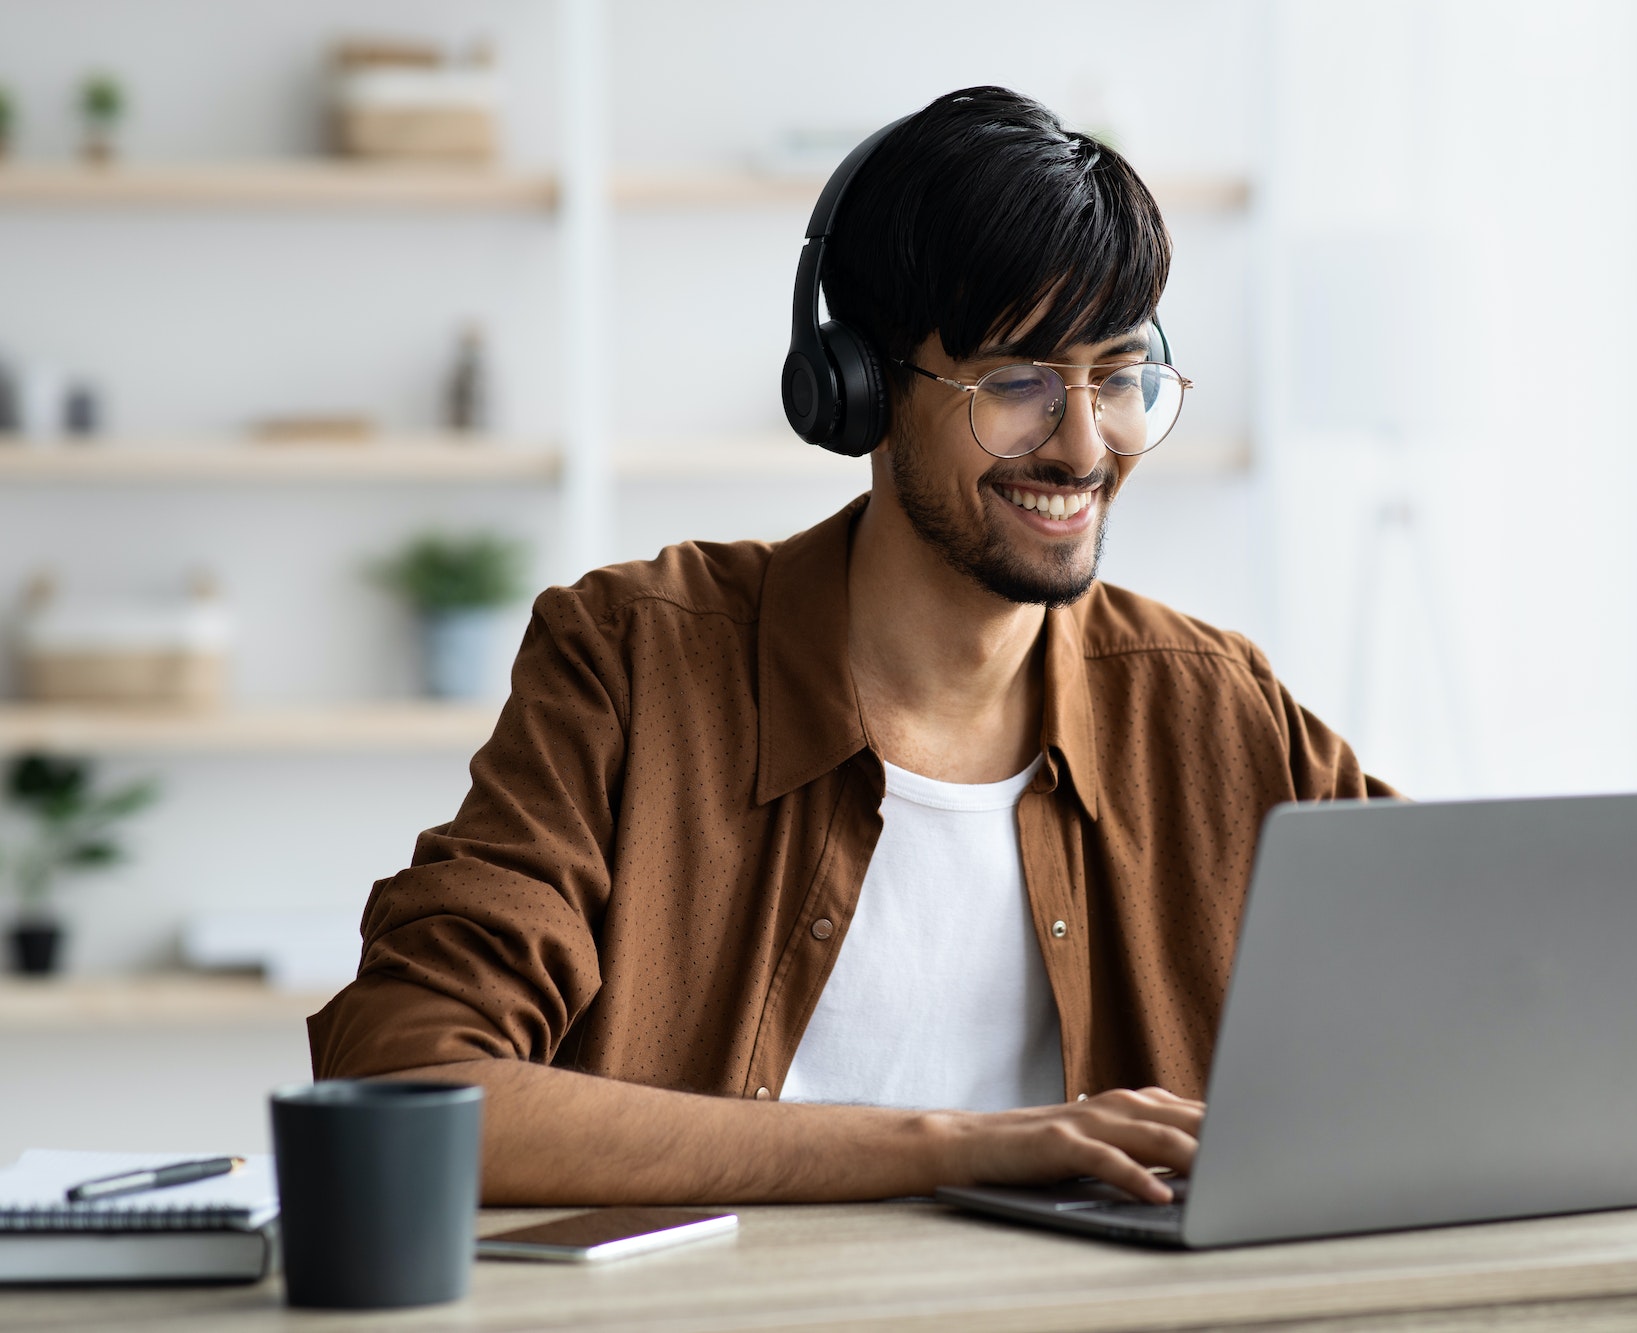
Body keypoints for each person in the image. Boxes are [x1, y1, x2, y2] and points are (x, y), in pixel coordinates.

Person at [308, 86, 1393, 1207]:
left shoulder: (1211, 705)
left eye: (1116, 379)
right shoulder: (632, 660)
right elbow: (406, 1091)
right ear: (856, 389)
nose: (1082, 445)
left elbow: (1491, 981)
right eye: (1015, 381)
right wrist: (956, 1145)